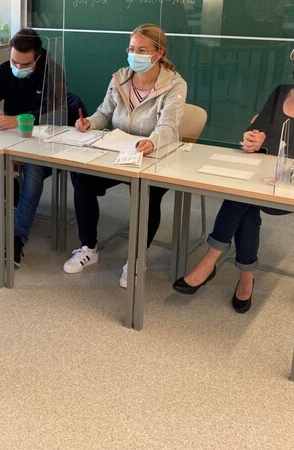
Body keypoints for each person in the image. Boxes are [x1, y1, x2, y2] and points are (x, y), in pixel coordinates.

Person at [172, 18, 294, 314]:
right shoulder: (282, 91)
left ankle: (210, 259)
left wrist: (281, 161)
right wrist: (252, 140)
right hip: (259, 177)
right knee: (245, 201)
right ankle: (246, 276)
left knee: (241, 197)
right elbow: (257, 132)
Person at [63, 23, 186, 289]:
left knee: (147, 195)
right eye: (131, 49)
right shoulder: (120, 77)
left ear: (159, 53)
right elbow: (104, 113)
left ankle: (137, 260)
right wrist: (89, 123)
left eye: (142, 49)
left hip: (155, 156)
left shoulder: (174, 85)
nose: (135, 55)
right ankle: (88, 248)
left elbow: (168, 127)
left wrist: (152, 142)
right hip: (118, 153)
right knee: (83, 179)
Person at [0, 28, 65, 267]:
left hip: (43, 142)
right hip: (9, 140)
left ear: (38, 57)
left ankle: (16, 239)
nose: (18, 68)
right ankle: (15, 193)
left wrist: (20, 118)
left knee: (33, 173)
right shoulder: (5, 70)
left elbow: (59, 113)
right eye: (14, 61)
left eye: (24, 64)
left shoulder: (52, 72)